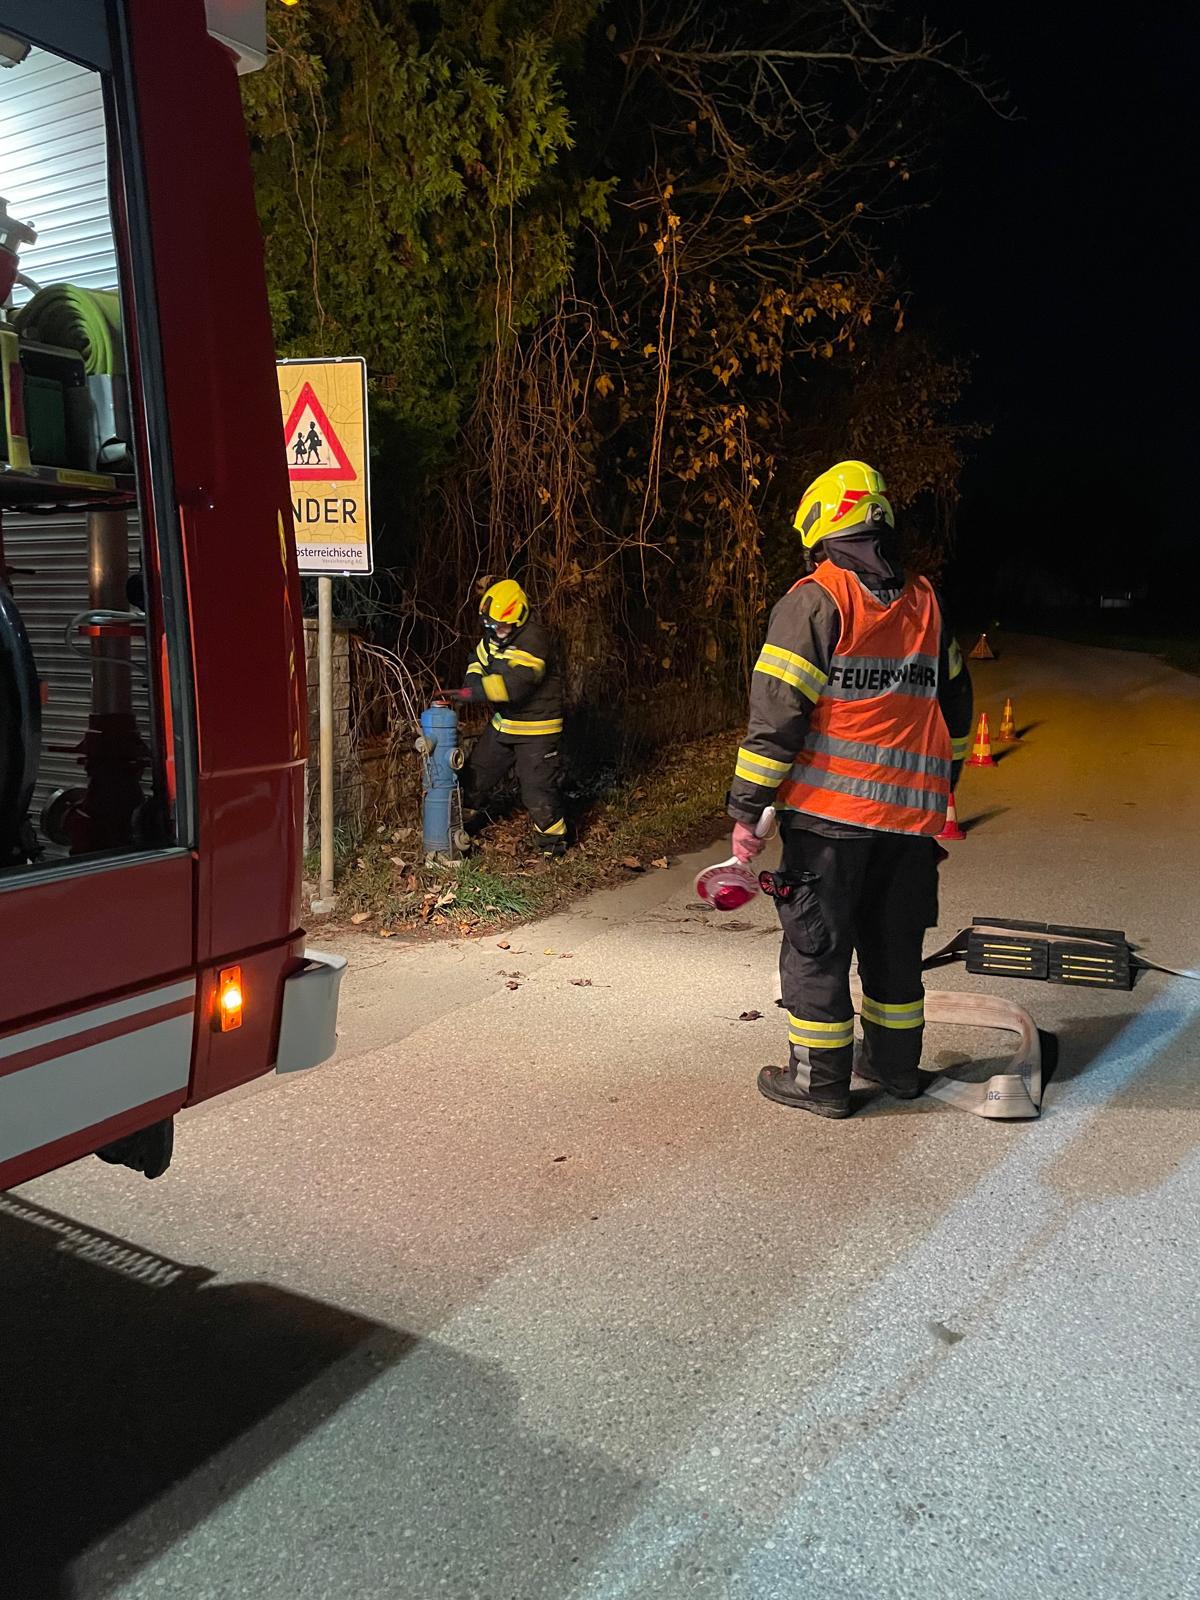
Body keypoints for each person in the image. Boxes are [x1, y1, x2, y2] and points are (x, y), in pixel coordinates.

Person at [727, 459, 973, 1119]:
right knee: (895, 952)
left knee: (818, 951)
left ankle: (820, 1082)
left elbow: (777, 718)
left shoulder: (815, 601)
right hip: (910, 826)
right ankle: (896, 1069)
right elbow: (956, 706)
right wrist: (942, 785)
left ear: (819, 528)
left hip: (830, 824)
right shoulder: (926, 602)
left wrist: (747, 810)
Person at [446, 579, 567, 856]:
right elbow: (476, 661)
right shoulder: (495, 634)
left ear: (520, 617)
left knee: (537, 790)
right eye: (491, 626)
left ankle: (553, 845)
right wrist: (472, 681)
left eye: (502, 626)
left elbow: (513, 686)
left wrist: (473, 691)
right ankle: (457, 827)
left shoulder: (534, 640)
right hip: (505, 725)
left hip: (538, 730)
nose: (496, 632)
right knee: (475, 774)